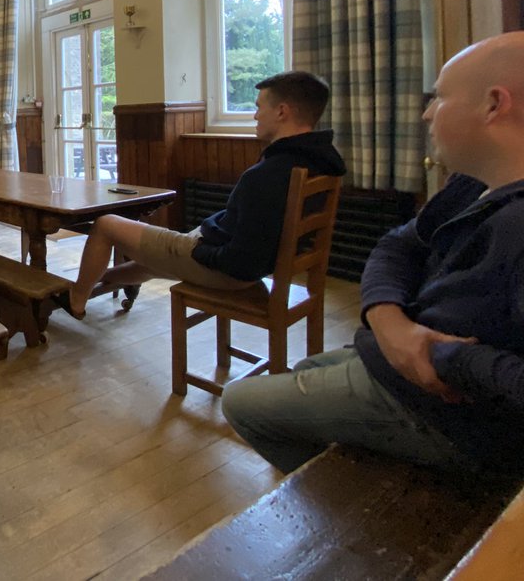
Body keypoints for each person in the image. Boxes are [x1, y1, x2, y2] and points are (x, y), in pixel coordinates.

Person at [223, 33, 524, 477]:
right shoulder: (472, 183)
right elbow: (396, 245)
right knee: (307, 365)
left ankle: (353, 519)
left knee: (238, 399)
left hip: (451, 416)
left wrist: (444, 359)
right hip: (393, 349)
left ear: (494, 105)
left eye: (438, 97)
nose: (425, 113)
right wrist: (391, 323)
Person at [65, 70, 346, 318]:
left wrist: (199, 247)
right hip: (248, 262)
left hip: (228, 272)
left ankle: (75, 300)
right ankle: (92, 284)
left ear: (282, 111)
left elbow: (241, 262)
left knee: (106, 224)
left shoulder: (267, 175)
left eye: (259, 107)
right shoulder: (321, 161)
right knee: (153, 256)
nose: (255, 115)